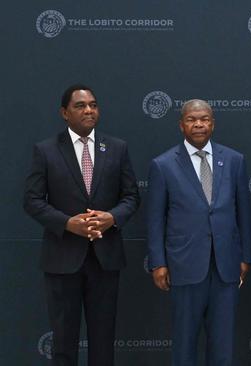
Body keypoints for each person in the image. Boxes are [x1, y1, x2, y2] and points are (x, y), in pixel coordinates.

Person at [24, 84, 140, 366]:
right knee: (64, 342)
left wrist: (112, 217)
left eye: (93, 105)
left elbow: (132, 196)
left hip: (105, 259)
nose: (89, 110)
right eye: (80, 105)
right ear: (64, 113)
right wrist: (67, 223)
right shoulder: (46, 150)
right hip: (63, 260)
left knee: (103, 342)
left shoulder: (117, 148)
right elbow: (32, 200)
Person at [146, 99, 251, 366]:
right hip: (185, 266)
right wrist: (158, 262)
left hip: (225, 266)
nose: (199, 124)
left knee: (223, 345)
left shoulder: (234, 160)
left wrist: (245, 257)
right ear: (181, 125)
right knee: (184, 344)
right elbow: (155, 219)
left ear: (213, 123)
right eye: (192, 120)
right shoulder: (163, 165)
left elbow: (244, 214)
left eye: (204, 119)